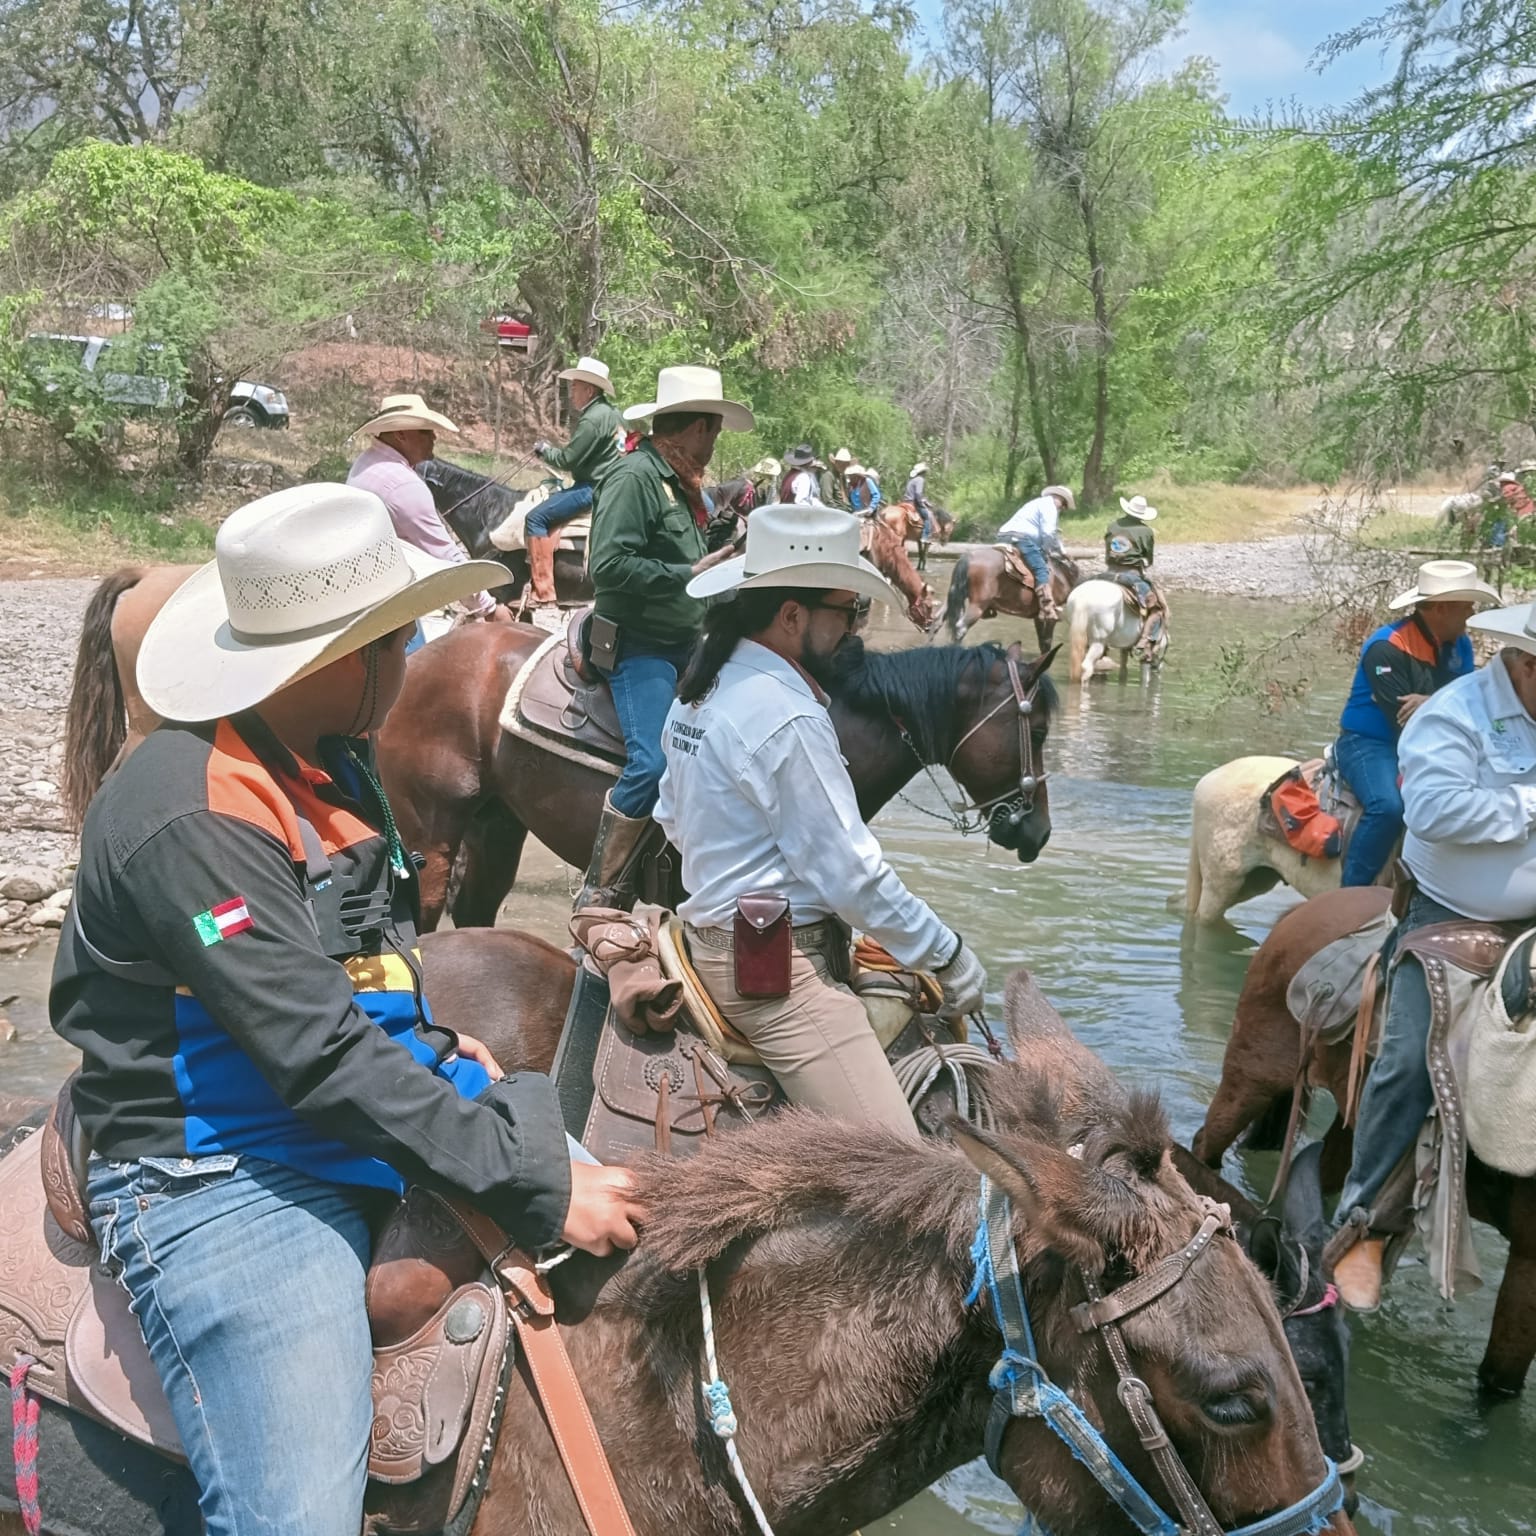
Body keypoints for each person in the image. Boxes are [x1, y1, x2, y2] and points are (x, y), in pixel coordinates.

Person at [51, 482, 643, 1536]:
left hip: (327, 1122)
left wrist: (490, 1098)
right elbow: (317, 1055)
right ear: (336, 658)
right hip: (217, 1170)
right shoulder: (189, 814)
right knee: (299, 1516)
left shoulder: (333, 766)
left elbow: (374, 980)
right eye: (399, 634)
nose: (416, 652)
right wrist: (535, 1176)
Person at [653, 504, 988, 1132]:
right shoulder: (788, 716)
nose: (854, 630)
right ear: (792, 615)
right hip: (774, 978)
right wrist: (945, 953)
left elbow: (671, 817)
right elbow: (851, 874)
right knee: (906, 1172)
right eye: (849, 610)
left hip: (709, 939)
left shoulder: (701, 689)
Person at [1331, 597, 1536, 1310]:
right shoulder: (1457, 713)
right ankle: (1363, 1225)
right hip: (1454, 916)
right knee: (1411, 1056)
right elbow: (1436, 810)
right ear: (1527, 665)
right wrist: (1531, 804)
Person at [580, 365, 752, 906]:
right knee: (652, 764)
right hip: (638, 643)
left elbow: (680, 556)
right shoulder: (635, 479)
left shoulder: (680, 484)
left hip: (681, 639)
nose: (715, 442)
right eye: (714, 431)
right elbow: (607, 568)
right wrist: (689, 576)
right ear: (697, 428)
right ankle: (600, 889)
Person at [1332, 560, 1497, 888]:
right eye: (1466, 607)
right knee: (1388, 807)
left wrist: (1429, 701)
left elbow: (1467, 700)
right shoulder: (1385, 649)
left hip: (1427, 738)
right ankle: (1351, 890)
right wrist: (1438, 703)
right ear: (1440, 608)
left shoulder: (1460, 645)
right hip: (1369, 743)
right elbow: (1403, 717)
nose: (1470, 614)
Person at [347, 392, 507, 632]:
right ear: (401, 434)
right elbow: (445, 556)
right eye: (424, 431)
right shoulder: (404, 486)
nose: (433, 437)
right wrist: (490, 608)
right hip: (384, 608)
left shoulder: (366, 462)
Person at [525, 356, 623, 624]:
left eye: (576, 387)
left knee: (535, 517)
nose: (572, 393)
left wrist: (545, 452)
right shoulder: (614, 415)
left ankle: (543, 593)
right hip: (612, 485)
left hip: (591, 488)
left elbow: (569, 460)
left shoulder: (592, 419)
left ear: (589, 390)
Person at [996, 484, 1076, 624]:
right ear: (1059, 499)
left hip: (1005, 535)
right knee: (1041, 568)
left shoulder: (1036, 503)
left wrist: (1062, 551)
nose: (1062, 508)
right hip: (1022, 538)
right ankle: (1047, 606)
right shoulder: (1050, 507)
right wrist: (1052, 550)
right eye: (1064, 504)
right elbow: (1049, 533)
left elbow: (1052, 533)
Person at [1103, 493, 1163, 655]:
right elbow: (1148, 558)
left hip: (1107, 573)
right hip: (1130, 575)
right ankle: (1145, 640)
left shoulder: (1112, 525)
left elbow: (1108, 548)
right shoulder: (1146, 531)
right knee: (1156, 608)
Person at [903, 461, 934, 540]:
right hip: (912, 503)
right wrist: (921, 503)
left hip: (905, 501)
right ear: (923, 472)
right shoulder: (920, 479)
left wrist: (924, 500)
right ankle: (925, 536)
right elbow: (918, 493)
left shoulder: (912, 480)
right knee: (928, 516)